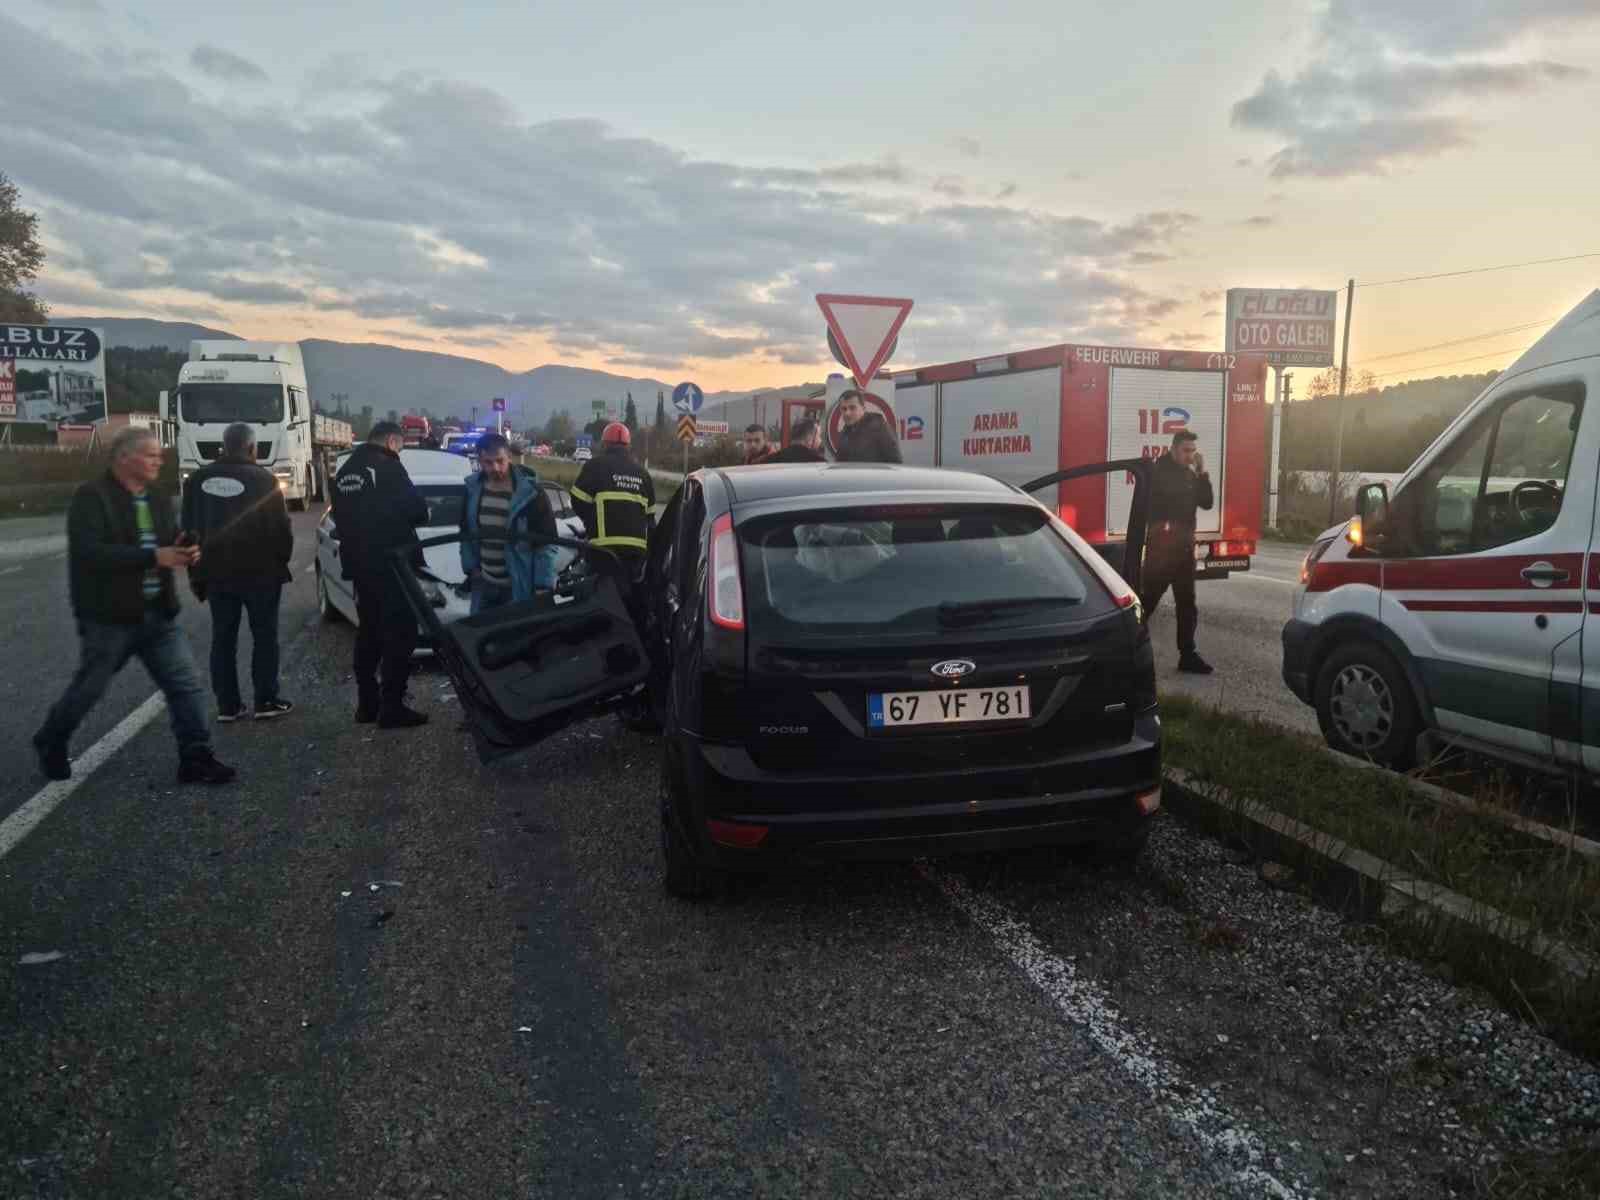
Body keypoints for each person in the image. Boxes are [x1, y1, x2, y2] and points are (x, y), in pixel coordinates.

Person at [33, 427, 236, 784]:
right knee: (89, 688)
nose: (159, 460)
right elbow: (90, 553)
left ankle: (196, 757)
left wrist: (186, 549)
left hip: (158, 613)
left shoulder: (156, 497)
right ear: (123, 457)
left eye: (160, 455)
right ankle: (51, 739)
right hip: (109, 617)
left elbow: (167, 538)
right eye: (150, 455)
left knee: (186, 685)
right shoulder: (92, 498)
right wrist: (153, 556)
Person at [181, 421, 295, 721]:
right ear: (251, 448)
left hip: (216, 573)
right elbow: (281, 531)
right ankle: (266, 701)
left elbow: (187, 533)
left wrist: (196, 575)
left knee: (223, 637)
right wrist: (281, 561)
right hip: (261, 574)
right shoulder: (264, 480)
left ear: (224, 446)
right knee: (264, 636)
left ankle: (228, 706)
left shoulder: (195, 480)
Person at [331, 422, 430, 728]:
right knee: (402, 634)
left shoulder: (345, 470)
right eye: (399, 446)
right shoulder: (387, 467)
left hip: (359, 566)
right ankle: (392, 706)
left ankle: (367, 703)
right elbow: (417, 511)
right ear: (391, 441)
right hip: (391, 564)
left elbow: (340, 517)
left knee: (369, 632)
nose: (399, 451)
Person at [1139, 429, 1215, 675]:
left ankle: (1187, 654)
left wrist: (1202, 473)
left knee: (1187, 603)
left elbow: (1206, 502)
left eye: (1193, 451)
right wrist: (1193, 479)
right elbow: (1176, 499)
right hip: (1162, 547)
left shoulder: (1190, 474)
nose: (1190, 455)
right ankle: (1123, 647)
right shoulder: (1160, 471)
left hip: (1183, 548)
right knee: (1147, 600)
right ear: (1173, 449)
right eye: (1186, 450)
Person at [461, 433, 558, 613]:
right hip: (484, 586)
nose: (495, 467)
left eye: (500, 461)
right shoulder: (472, 491)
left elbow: (546, 544)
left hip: (518, 588)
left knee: (517, 639)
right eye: (488, 463)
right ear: (479, 461)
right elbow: (466, 533)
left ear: (510, 458)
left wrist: (542, 586)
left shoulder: (532, 495)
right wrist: (472, 569)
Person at [571, 421, 655, 598]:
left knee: (602, 599)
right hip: (635, 554)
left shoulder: (595, 466)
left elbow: (577, 501)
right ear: (628, 446)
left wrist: (591, 521)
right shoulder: (643, 474)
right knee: (630, 598)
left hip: (603, 551)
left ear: (604, 444)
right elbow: (650, 518)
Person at [834, 390, 902, 463]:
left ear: (863, 408)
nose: (847, 413)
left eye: (852, 408)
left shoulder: (879, 428)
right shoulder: (844, 433)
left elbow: (895, 462)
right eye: (844, 409)